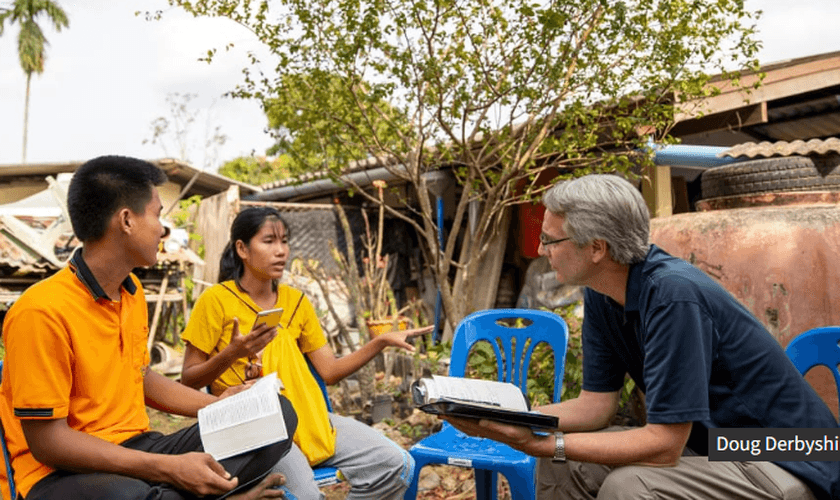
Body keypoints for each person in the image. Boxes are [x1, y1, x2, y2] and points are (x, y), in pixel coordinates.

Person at [445, 174, 840, 500]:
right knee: (564, 462)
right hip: (713, 448)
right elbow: (595, 406)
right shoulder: (603, 292)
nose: (540, 249)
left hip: (791, 452)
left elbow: (664, 445)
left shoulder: (673, 297)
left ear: (597, 247)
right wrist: (508, 419)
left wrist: (544, 442)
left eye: (550, 239)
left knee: (629, 486)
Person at [0, 156, 297, 500]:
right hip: (59, 474)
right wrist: (166, 468)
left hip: (136, 448)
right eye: (157, 214)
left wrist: (217, 404)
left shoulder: (131, 291)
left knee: (274, 416)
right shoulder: (40, 311)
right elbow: (48, 444)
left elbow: (140, 378)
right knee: (132, 496)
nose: (163, 229)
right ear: (126, 220)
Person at [180, 206, 425, 500]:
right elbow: (188, 380)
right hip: (258, 429)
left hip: (309, 417)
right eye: (269, 241)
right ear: (242, 249)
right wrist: (233, 353)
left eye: (285, 241)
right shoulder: (216, 300)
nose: (281, 251)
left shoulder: (296, 302)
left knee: (397, 465)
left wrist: (380, 342)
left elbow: (330, 372)